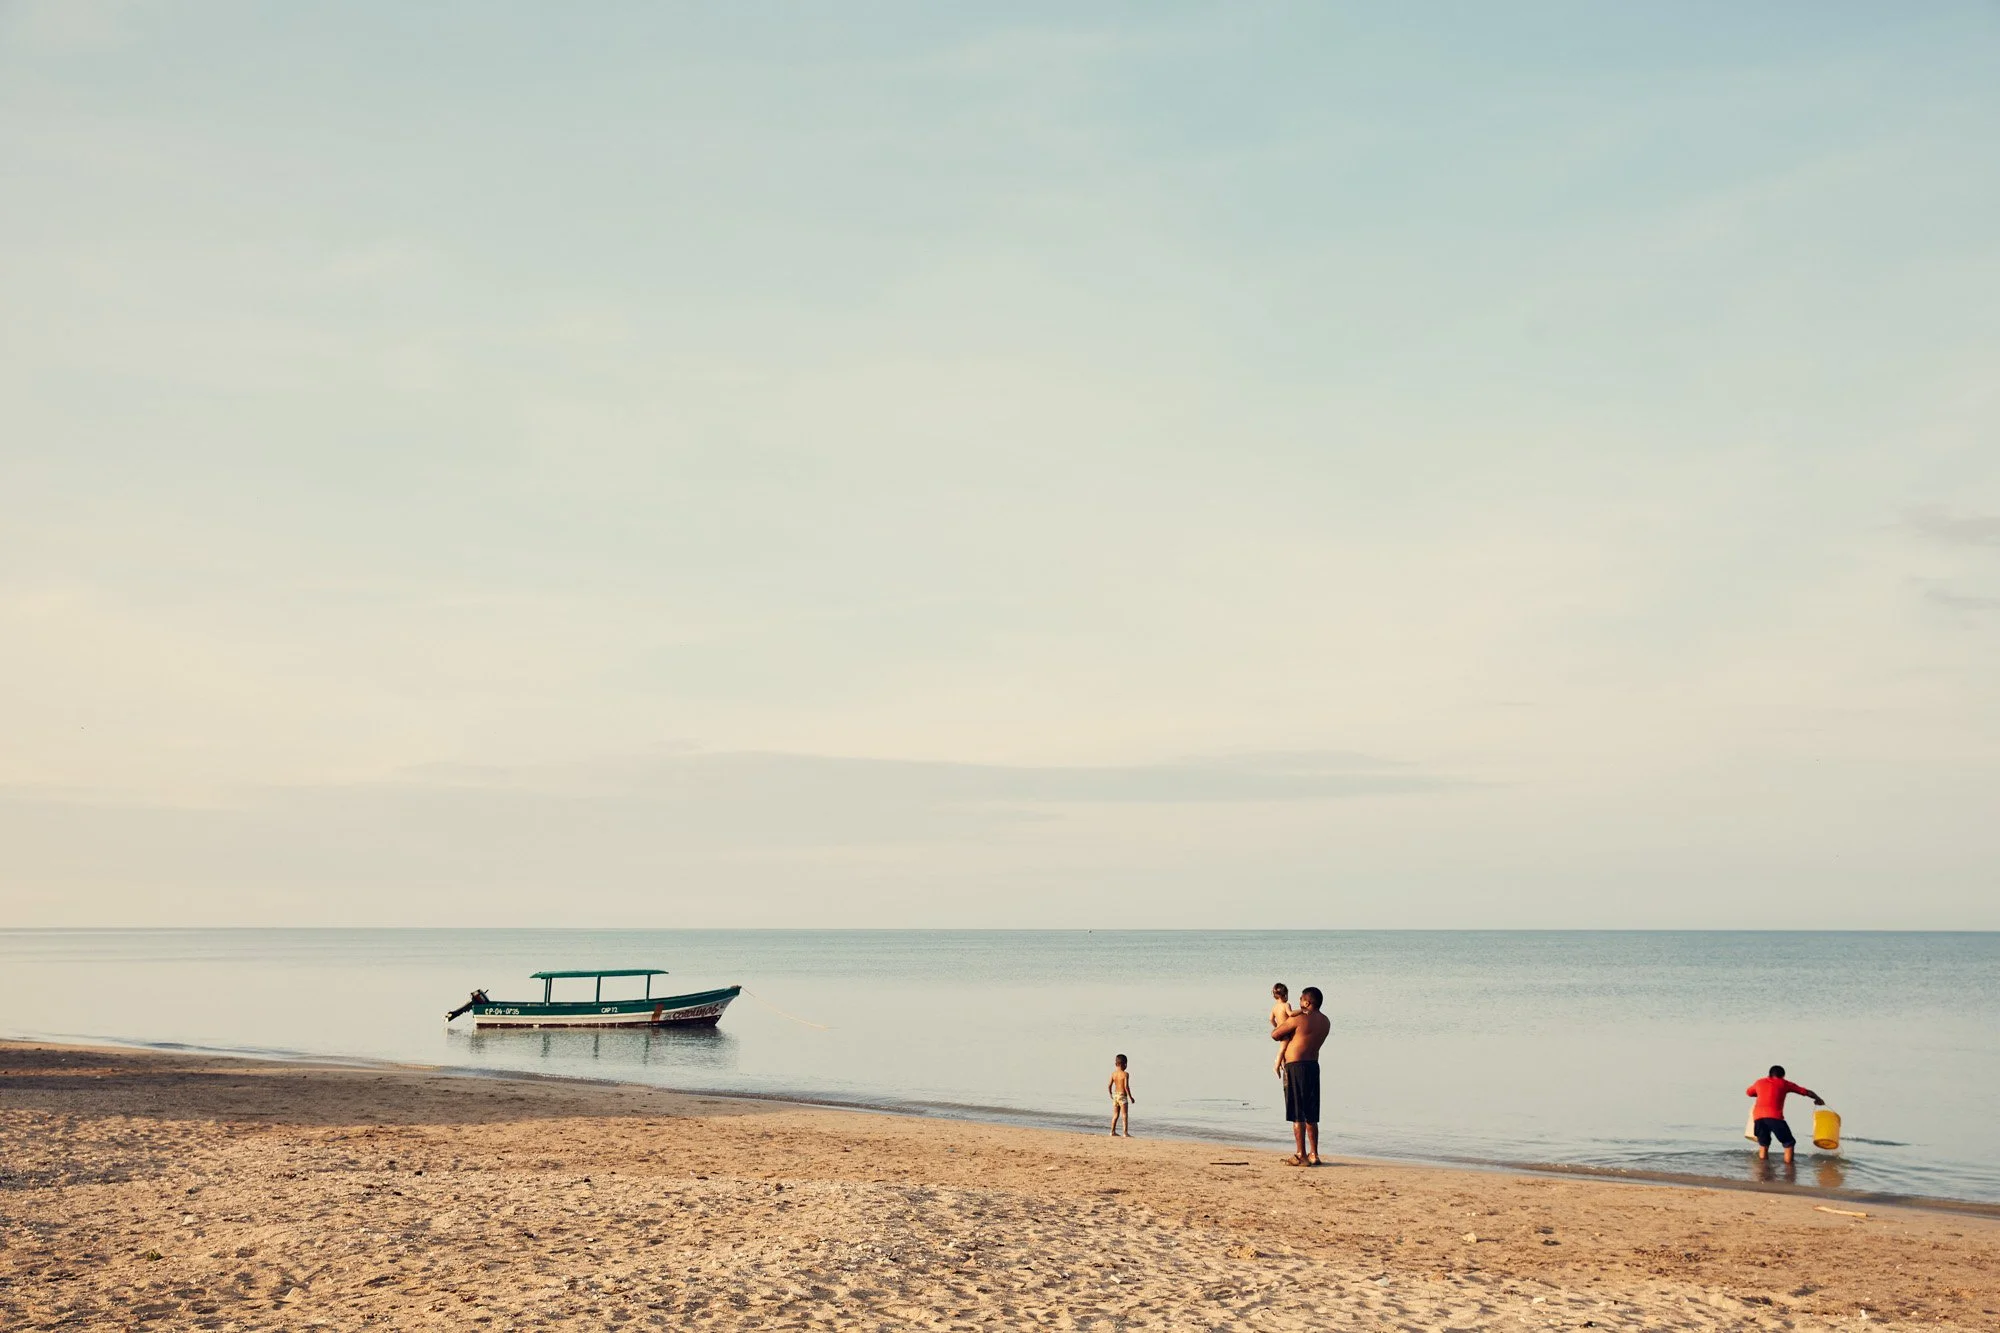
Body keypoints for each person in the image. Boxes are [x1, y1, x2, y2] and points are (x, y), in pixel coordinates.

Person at [1270, 986, 1331, 1166]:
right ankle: (1314, 1154)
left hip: (1296, 1067)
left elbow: (1275, 1034)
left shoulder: (1299, 1018)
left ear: (1307, 1002)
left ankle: (1301, 1154)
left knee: (1298, 1113)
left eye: (1301, 999)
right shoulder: (1325, 1021)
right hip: (1313, 1066)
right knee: (1311, 1114)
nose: (1298, 1002)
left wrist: (1283, 1020)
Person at [1745, 1064, 1823, 1164]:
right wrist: (1818, 1099)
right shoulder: (1784, 1083)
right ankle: (1789, 1167)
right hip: (1774, 1117)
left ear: (1769, 1075)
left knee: (1763, 1144)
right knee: (1789, 1142)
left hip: (1758, 1118)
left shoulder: (1759, 1082)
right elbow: (1806, 1092)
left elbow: (1749, 1093)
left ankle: (1762, 1167)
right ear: (1783, 1076)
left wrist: (1761, 1092)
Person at [1269, 983, 1297, 1081]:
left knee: (1283, 1048)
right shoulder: (1286, 1005)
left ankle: (1282, 1063)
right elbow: (1290, 1014)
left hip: (1279, 1030)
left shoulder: (1274, 1007)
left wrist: (1276, 1027)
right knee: (1283, 1048)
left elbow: (1271, 1019)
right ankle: (1276, 1065)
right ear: (1285, 995)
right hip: (1285, 1031)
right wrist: (1302, 1011)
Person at [1107, 1054, 1135, 1137]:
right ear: (1125, 1064)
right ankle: (1125, 1132)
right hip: (1122, 1096)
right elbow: (1126, 1087)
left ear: (1116, 1064)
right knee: (1124, 1115)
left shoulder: (1113, 1074)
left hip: (1115, 1095)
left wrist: (1110, 1093)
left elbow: (1109, 1085)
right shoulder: (1125, 1074)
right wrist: (1130, 1097)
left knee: (1115, 1115)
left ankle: (1112, 1131)